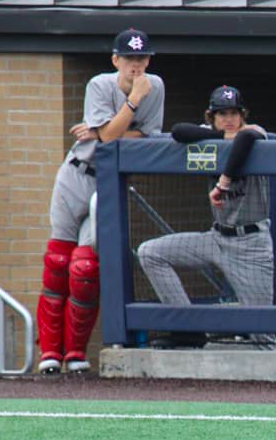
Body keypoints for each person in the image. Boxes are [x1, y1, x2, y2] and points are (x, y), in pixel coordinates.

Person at [37, 29, 164, 374]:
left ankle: (74, 353)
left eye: (142, 58)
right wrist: (120, 119)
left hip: (109, 182)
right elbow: (109, 138)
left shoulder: (156, 86)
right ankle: (49, 353)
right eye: (129, 59)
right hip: (76, 174)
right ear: (116, 60)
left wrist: (108, 128)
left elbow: (139, 139)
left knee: (85, 267)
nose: (136, 65)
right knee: (58, 261)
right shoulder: (99, 84)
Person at [137, 85, 276, 351]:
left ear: (243, 114)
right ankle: (188, 329)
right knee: (150, 253)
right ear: (210, 117)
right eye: (221, 113)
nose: (229, 118)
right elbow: (179, 131)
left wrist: (223, 183)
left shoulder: (254, 132)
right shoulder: (210, 136)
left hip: (251, 245)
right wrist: (215, 134)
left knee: (264, 339)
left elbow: (245, 140)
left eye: (234, 113)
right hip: (215, 238)